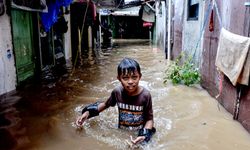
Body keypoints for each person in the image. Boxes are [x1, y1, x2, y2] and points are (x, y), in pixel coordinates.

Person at [76, 57, 156, 144]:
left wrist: (143, 135)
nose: (130, 81)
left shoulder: (145, 95)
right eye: (125, 78)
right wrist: (87, 113)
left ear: (140, 77)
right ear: (119, 78)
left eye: (134, 77)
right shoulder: (117, 92)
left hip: (138, 132)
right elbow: (106, 105)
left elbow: (149, 119)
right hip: (122, 132)